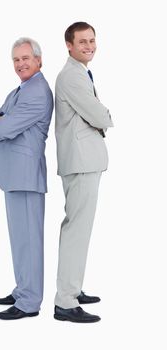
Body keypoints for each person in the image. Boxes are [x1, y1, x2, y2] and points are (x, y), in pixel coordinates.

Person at [0, 37, 53, 320]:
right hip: (14, 175)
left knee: (29, 240)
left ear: (38, 60)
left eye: (25, 58)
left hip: (25, 175)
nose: (20, 64)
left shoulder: (37, 91)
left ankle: (29, 301)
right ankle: (23, 288)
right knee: (19, 239)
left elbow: (1, 127)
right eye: (16, 60)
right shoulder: (19, 90)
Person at [54, 22, 114, 323]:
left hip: (85, 161)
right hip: (81, 162)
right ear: (69, 44)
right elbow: (97, 113)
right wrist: (106, 116)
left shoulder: (79, 73)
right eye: (82, 41)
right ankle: (65, 301)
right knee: (76, 231)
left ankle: (72, 290)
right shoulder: (70, 76)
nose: (89, 46)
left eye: (92, 40)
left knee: (80, 231)